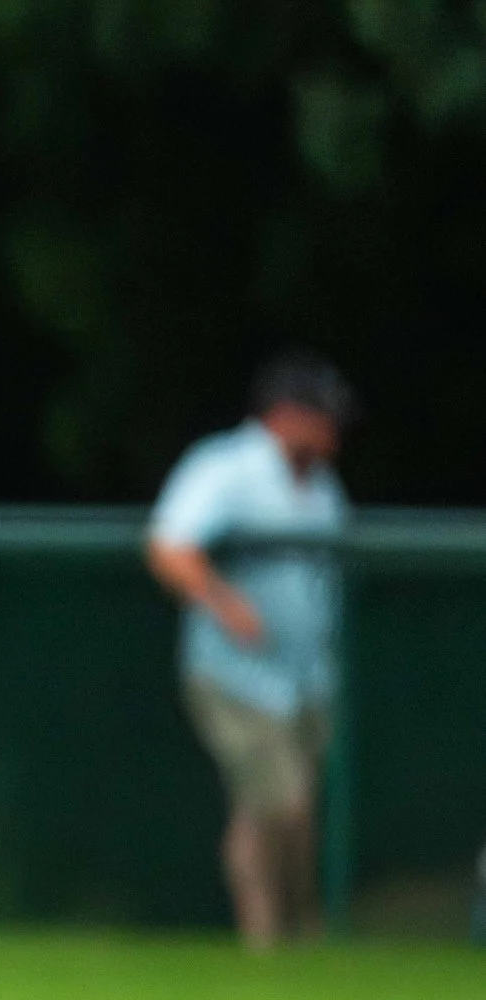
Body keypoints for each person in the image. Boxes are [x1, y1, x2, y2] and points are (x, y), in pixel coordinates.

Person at [146, 352, 352, 949]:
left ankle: (298, 935)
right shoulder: (226, 467)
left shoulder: (320, 483)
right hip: (234, 673)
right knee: (277, 801)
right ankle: (263, 936)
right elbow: (169, 546)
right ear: (286, 415)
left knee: (295, 809)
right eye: (323, 416)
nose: (334, 431)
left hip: (306, 675)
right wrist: (226, 604)